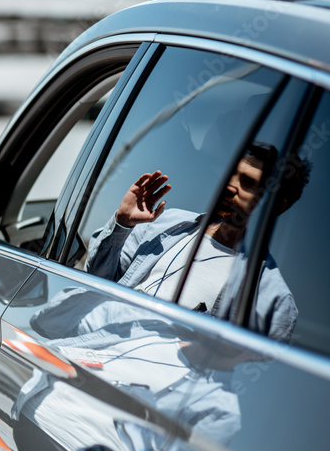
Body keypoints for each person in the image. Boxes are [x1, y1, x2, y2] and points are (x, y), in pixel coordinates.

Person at [85, 143, 309, 342]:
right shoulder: (168, 223)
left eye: (248, 183)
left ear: (277, 205)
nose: (230, 185)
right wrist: (122, 223)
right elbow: (96, 282)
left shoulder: (273, 298)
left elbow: (247, 375)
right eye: (232, 174)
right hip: (95, 345)